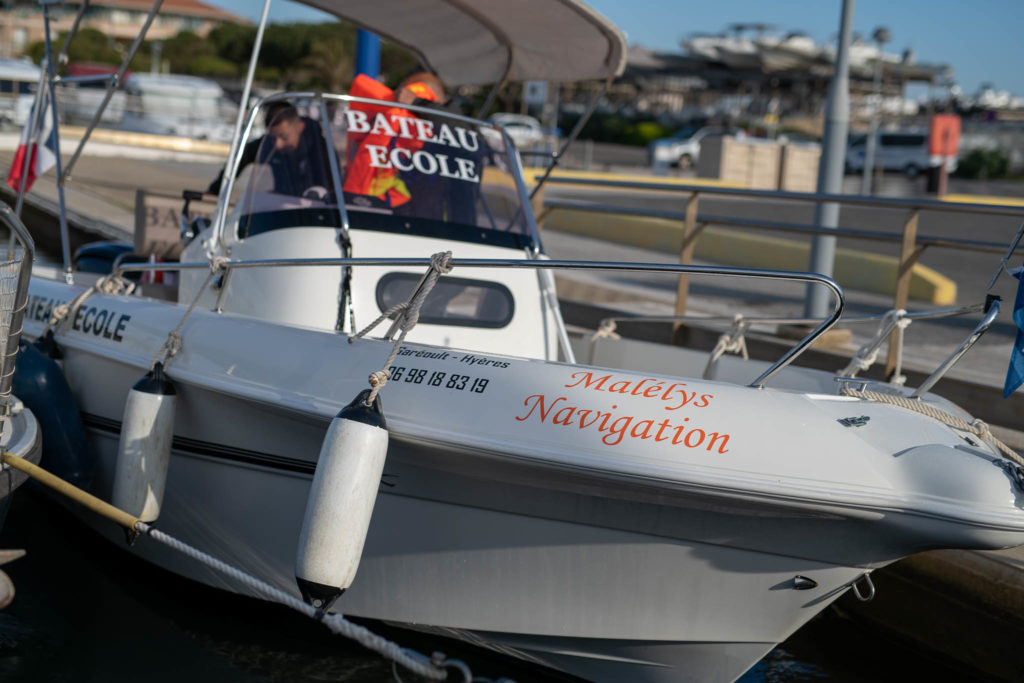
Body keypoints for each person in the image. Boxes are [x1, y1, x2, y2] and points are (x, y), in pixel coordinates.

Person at [207, 101, 291, 195]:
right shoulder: (261, 147)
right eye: (274, 136)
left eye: (283, 136)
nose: (278, 144)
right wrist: (215, 189)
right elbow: (236, 163)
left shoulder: (307, 149)